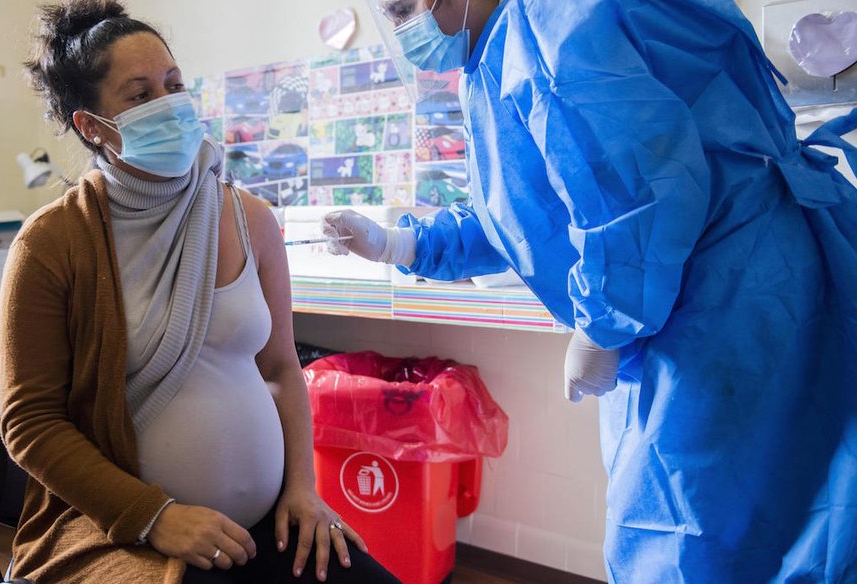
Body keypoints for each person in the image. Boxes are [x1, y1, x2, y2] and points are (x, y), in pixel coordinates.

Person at [323, 0, 857, 581]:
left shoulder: (549, 22)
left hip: (726, 295)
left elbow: (641, 197)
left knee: (711, 534)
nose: (405, 31)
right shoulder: (495, 59)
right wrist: (397, 246)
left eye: (404, 9)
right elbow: (525, 213)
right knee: (730, 520)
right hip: (682, 296)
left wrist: (606, 323)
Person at [0, 2, 401, 583]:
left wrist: (303, 487)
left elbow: (284, 368)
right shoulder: (51, 243)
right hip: (130, 528)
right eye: (139, 96)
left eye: (174, 84)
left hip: (274, 520)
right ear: (91, 125)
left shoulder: (250, 218)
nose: (168, 104)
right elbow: (30, 423)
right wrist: (152, 517)